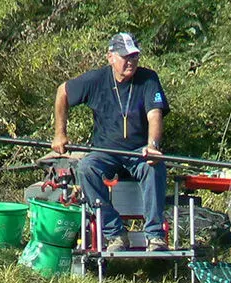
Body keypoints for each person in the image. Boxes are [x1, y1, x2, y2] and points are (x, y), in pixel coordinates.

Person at [51, 32, 170, 252]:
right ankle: (114, 232)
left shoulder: (148, 79)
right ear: (110, 57)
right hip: (105, 152)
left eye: (134, 56)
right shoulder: (96, 80)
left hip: (139, 152)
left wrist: (153, 146)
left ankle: (155, 236)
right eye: (125, 56)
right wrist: (60, 133)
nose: (130, 61)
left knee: (155, 167)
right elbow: (62, 92)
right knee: (86, 168)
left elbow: (155, 114)